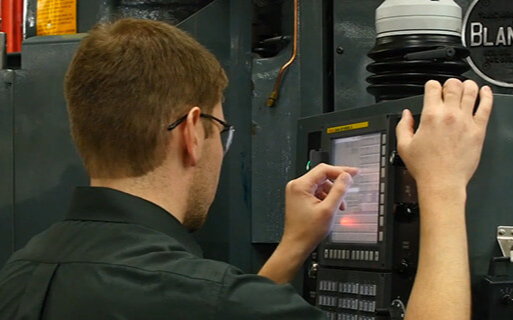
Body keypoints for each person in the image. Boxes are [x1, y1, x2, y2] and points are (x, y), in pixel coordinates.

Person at [0, 18, 493, 320]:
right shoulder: (204, 296)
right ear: (193, 133)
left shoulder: (22, 273)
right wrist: (444, 185)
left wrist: (294, 246)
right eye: (221, 129)